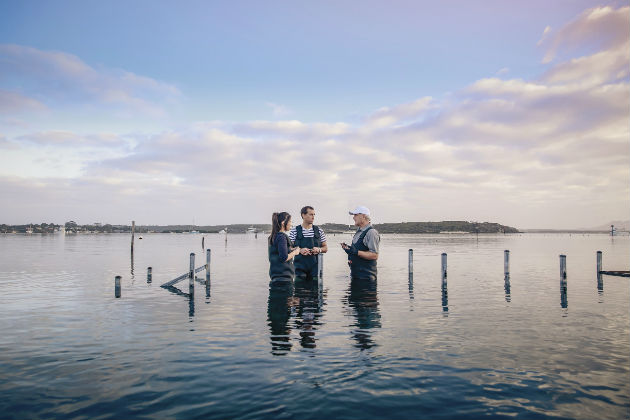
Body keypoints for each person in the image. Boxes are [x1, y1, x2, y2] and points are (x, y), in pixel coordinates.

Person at [341, 205, 380, 280]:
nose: (353, 217)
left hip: (367, 280)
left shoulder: (371, 232)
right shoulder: (358, 231)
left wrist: (355, 252)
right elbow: (357, 251)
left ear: (363, 216)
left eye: (355, 215)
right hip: (355, 276)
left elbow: (374, 255)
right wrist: (349, 250)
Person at [289, 206, 328, 280]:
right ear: (303, 215)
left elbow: (325, 248)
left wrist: (319, 249)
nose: (313, 217)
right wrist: (300, 250)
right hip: (299, 269)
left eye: (314, 215)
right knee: (299, 290)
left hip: (316, 268)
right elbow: (289, 248)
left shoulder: (319, 231)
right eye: (310, 214)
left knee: (315, 290)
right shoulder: (294, 230)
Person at [268, 212, 300, 282]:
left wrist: (291, 249)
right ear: (283, 223)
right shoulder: (281, 236)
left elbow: (278, 251)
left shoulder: (272, 237)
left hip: (275, 277)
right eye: (290, 221)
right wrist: (295, 252)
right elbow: (284, 257)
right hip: (284, 279)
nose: (291, 224)